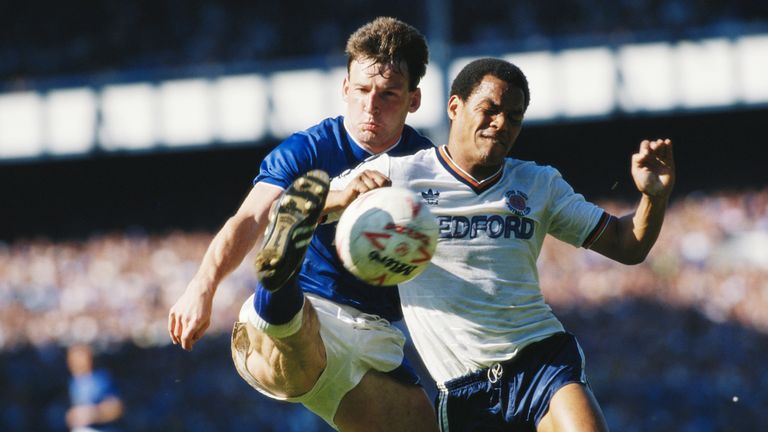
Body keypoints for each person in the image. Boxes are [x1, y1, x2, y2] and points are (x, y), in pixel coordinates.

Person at [327, 57, 675, 431]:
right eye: (489, 110)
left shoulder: (538, 183)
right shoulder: (397, 174)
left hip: (541, 360)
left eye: (514, 116)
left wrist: (654, 197)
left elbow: (628, 245)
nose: (501, 124)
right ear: (454, 107)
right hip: (464, 389)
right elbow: (295, 208)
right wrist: (342, 197)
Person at [167, 17, 439, 431]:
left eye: (388, 94)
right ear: (345, 89)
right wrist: (201, 286)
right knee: (296, 348)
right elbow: (250, 217)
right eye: (363, 91)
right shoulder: (309, 149)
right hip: (308, 312)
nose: (371, 106)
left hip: (375, 336)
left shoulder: (428, 168)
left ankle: (298, 239)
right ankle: (280, 284)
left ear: (413, 100)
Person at [65, 344, 124, 432]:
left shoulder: (101, 380)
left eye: (81, 359)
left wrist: (93, 414)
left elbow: (116, 408)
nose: (77, 363)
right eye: (73, 360)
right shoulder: (72, 383)